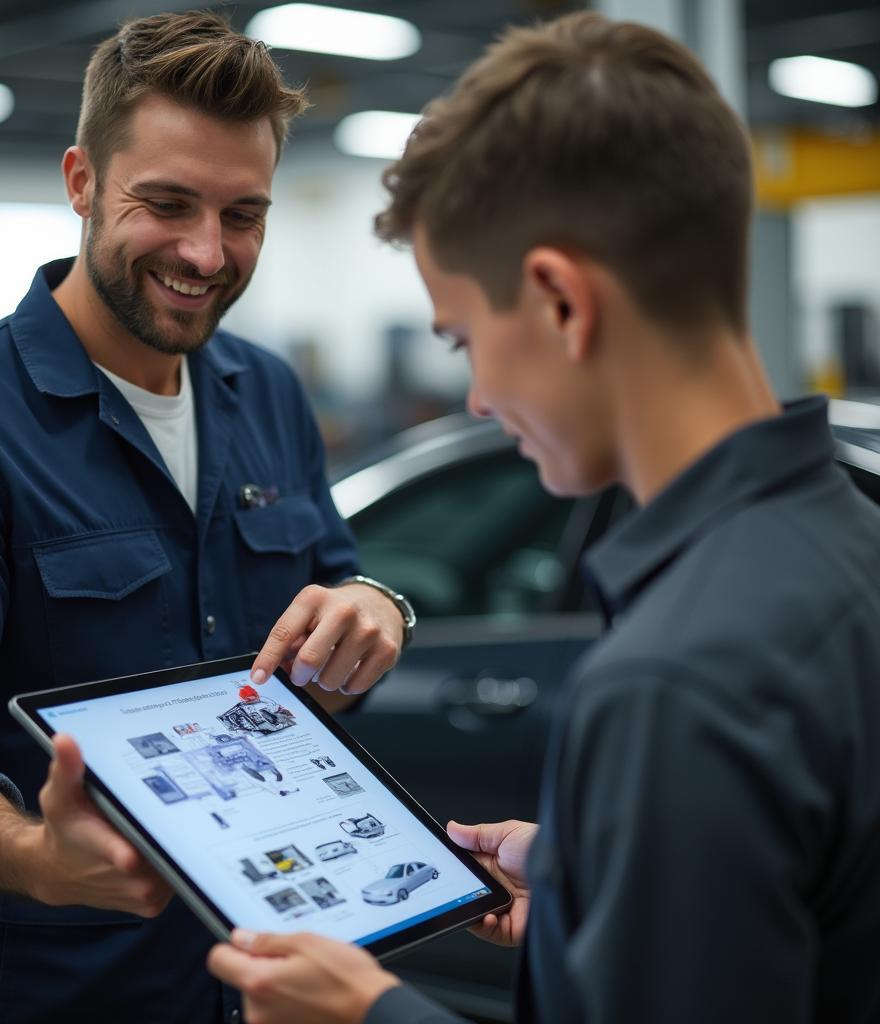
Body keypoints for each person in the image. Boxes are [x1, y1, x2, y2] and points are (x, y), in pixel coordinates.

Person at [207, 11, 880, 1024]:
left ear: (562, 303)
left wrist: (369, 1012)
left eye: (465, 338)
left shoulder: (674, 680)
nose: (475, 397)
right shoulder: (846, 547)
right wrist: (597, 889)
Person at [0, 12, 411, 1024]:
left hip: (270, 974)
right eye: (166, 204)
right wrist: (34, 852)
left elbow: (338, 577)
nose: (206, 253)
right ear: (79, 181)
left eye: (243, 214)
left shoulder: (269, 392)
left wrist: (375, 606)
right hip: (54, 994)